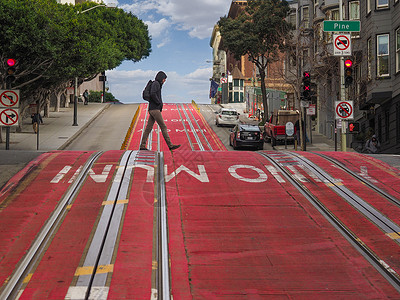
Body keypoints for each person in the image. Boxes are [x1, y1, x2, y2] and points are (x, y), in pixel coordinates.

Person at [140, 71, 181, 151]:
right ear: (161, 78)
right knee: (163, 127)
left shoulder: (156, 84)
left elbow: (152, 94)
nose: (164, 81)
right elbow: (152, 94)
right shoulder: (156, 84)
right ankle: (170, 145)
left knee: (148, 128)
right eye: (164, 79)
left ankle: (142, 145)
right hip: (155, 109)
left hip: (152, 108)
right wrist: (158, 102)